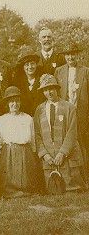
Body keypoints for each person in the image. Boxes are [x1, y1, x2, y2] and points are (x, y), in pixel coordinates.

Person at [34, 74, 86, 193]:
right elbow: (37, 134)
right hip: (49, 159)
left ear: (57, 89)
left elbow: (72, 133)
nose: (49, 92)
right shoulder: (39, 109)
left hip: (66, 157)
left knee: (72, 188)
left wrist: (62, 153)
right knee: (52, 189)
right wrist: (45, 154)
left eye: (51, 88)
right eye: (45, 90)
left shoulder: (69, 107)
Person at [0, 86, 43, 197]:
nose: (14, 104)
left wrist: (33, 154)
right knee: (8, 178)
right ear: (7, 103)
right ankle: (10, 191)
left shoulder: (28, 118)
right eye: (11, 101)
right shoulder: (1, 120)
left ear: (20, 102)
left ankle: (26, 190)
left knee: (26, 178)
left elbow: (33, 140)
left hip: (25, 152)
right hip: (8, 152)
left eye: (17, 101)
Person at [54, 42, 89, 179]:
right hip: (64, 113)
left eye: (72, 54)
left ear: (77, 55)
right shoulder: (59, 71)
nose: (70, 57)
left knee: (82, 143)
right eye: (67, 54)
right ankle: (67, 176)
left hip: (81, 113)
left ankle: (85, 176)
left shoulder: (85, 71)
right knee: (65, 141)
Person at [13, 48, 44, 116]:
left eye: (32, 64)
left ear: (36, 65)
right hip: (23, 117)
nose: (30, 67)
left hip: (40, 116)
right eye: (27, 64)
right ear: (23, 67)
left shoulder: (43, 80)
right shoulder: (18, 83)